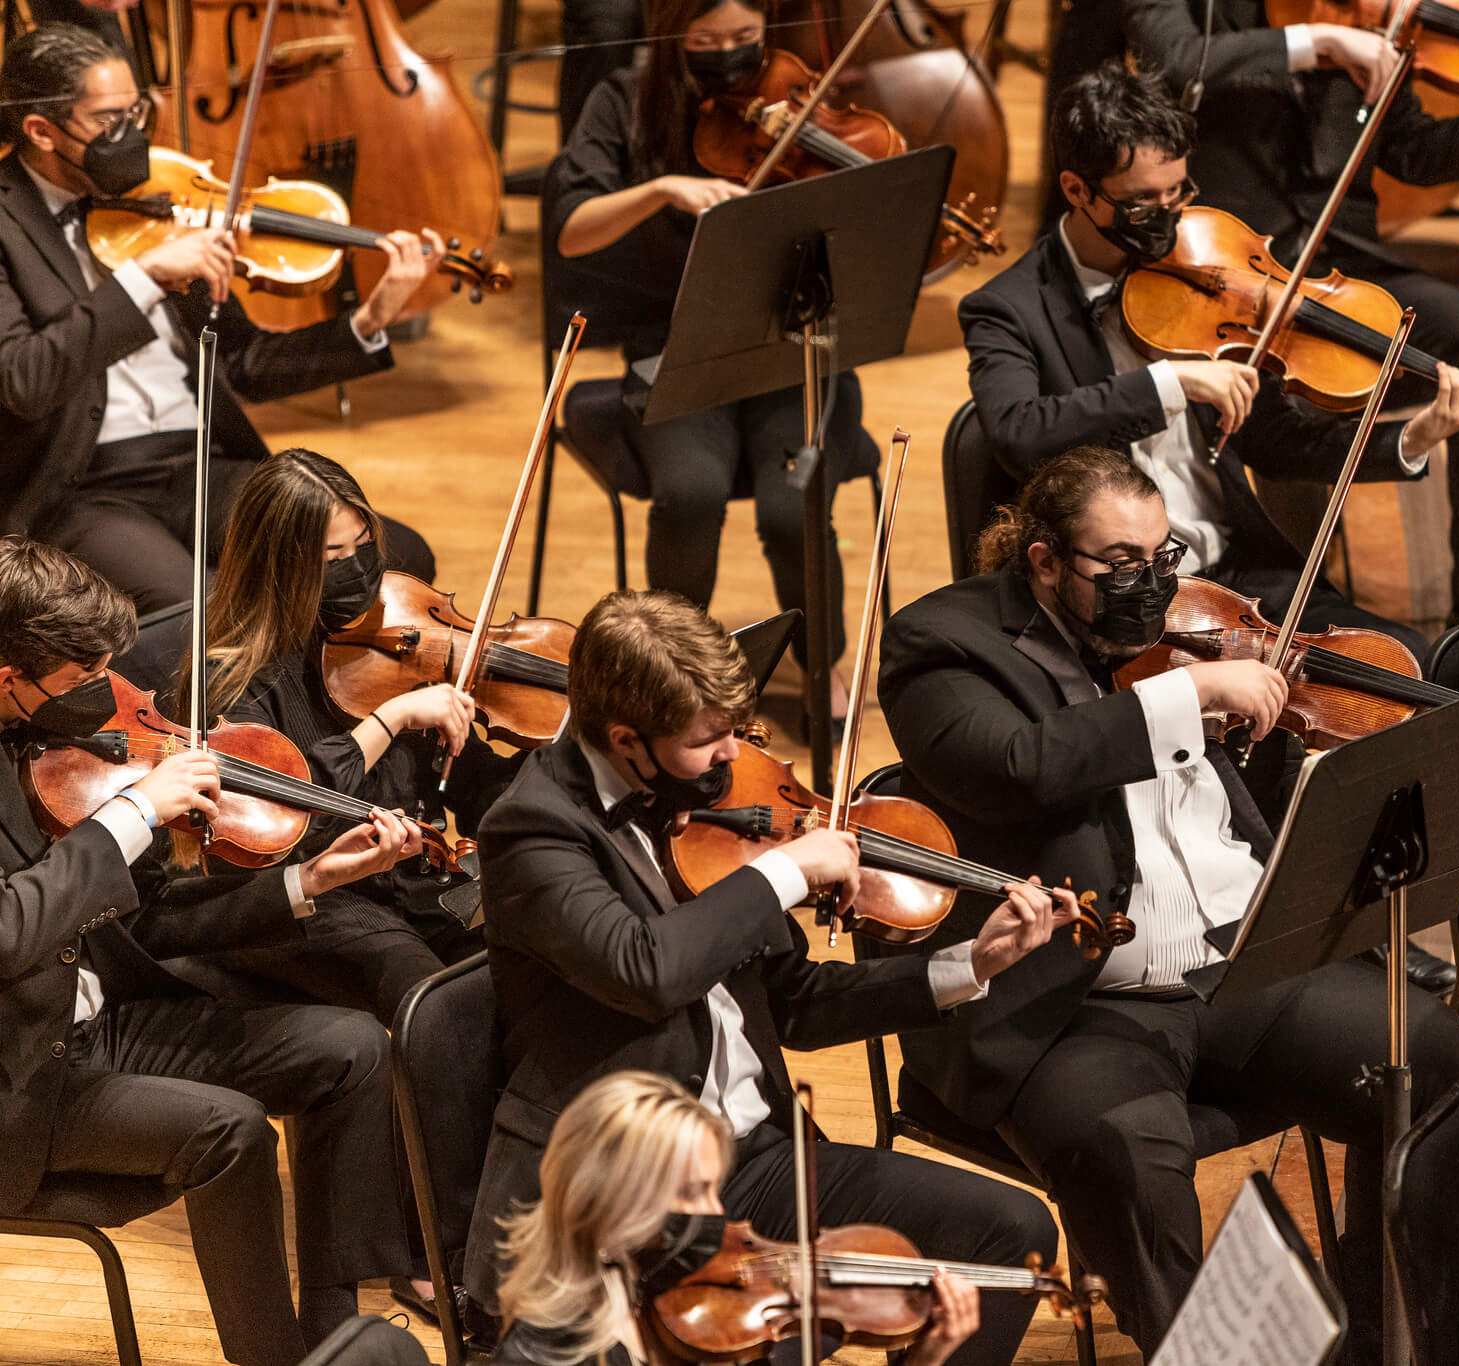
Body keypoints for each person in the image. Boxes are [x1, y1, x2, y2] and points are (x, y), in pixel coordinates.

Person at [875, 445, 1459, 1361]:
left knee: (1430, 1060)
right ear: (1045, 560)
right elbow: (1013, 765)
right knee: (1126, 1159)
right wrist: (1185, 694)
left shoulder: (1185, 627)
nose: (1152, 584)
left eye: (1163, 556)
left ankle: (1372, 1334)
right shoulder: (944, 645)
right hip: (1076, 1005)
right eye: (1119, 563)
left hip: (1238, 964)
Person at [464, 588, 1074, 1366]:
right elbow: (647, 970)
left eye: (735, 730)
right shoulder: (532, 830)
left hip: (754, 1159)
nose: (732, 755)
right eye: (706, 740)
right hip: (626, 1200)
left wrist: (968, 965)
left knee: (1009, 1231)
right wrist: (785, 873)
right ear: (625, 740)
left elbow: (796, 1002)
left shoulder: (701, 810)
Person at [0, 535, 430, 1365]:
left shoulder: (52, 745)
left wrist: (309, 879)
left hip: (95, 1027)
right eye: (83, 675)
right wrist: (131, 816)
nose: (104, 693)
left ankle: (331, 1334)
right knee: (231, 1131)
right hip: (19, 1082)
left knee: (353, 1048)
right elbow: (13, 931)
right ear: (8, 679)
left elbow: (152, 923)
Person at [963, 60, 1459, 666]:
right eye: (1141, 204)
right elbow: (1017, 431)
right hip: (1117, 602)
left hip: (1236, 574)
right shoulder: (1008, 307)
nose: (1168, 218)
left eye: (1177, 193)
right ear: (1077, 190)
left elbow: (1275, 439)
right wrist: (1170, 383)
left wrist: (1410, 438)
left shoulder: (1204, 270)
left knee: (1406, 659)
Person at [1119, 0, 1459, 609]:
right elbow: (1178, 61)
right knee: (1277, 415)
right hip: (1224, 283)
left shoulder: (1364, 20)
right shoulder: (1211, 14)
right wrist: (1319, 41)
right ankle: (1287, 588)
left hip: (1343, 270)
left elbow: (1416, 153)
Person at [0, 23, 441, 613]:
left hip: (203, 464)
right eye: (109, 121)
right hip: (84, 487)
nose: (133, 136)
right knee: (200, 613)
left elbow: (244, 364)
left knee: (397, 559)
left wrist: (369, 320)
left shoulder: (160, 200)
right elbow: (23, 379)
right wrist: (144, 278)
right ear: (42, 131)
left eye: (136, 112)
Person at [544, 0, 870, 727]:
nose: (729, 55)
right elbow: (571, 231)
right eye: (707, 40)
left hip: (792, 342)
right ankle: (677, 670)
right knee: (689, 494)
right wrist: (661, 189)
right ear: (670, 31)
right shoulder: (624, 99)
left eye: (745, 38)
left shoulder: (790, 94)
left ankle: (822, 661)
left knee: (793, 508)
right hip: (677, 346)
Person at [166, 449, 518, 1025]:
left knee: (533, 958)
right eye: (334, 557)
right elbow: (287, 817)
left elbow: (471, 776)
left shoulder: (393, 642)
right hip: (317, 899)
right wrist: (389, 720)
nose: (357, 568)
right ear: (280, 564)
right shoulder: (232, 681)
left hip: (416, 880)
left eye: (363, 545)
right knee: (440, 1007)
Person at [492, 1069, 982, 1366]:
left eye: (713, 1188)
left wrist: (928, 1355)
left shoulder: (676, 1301)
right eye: (693, 1192)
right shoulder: (545, 1353)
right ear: (613, 1204)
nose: (717, 1212)